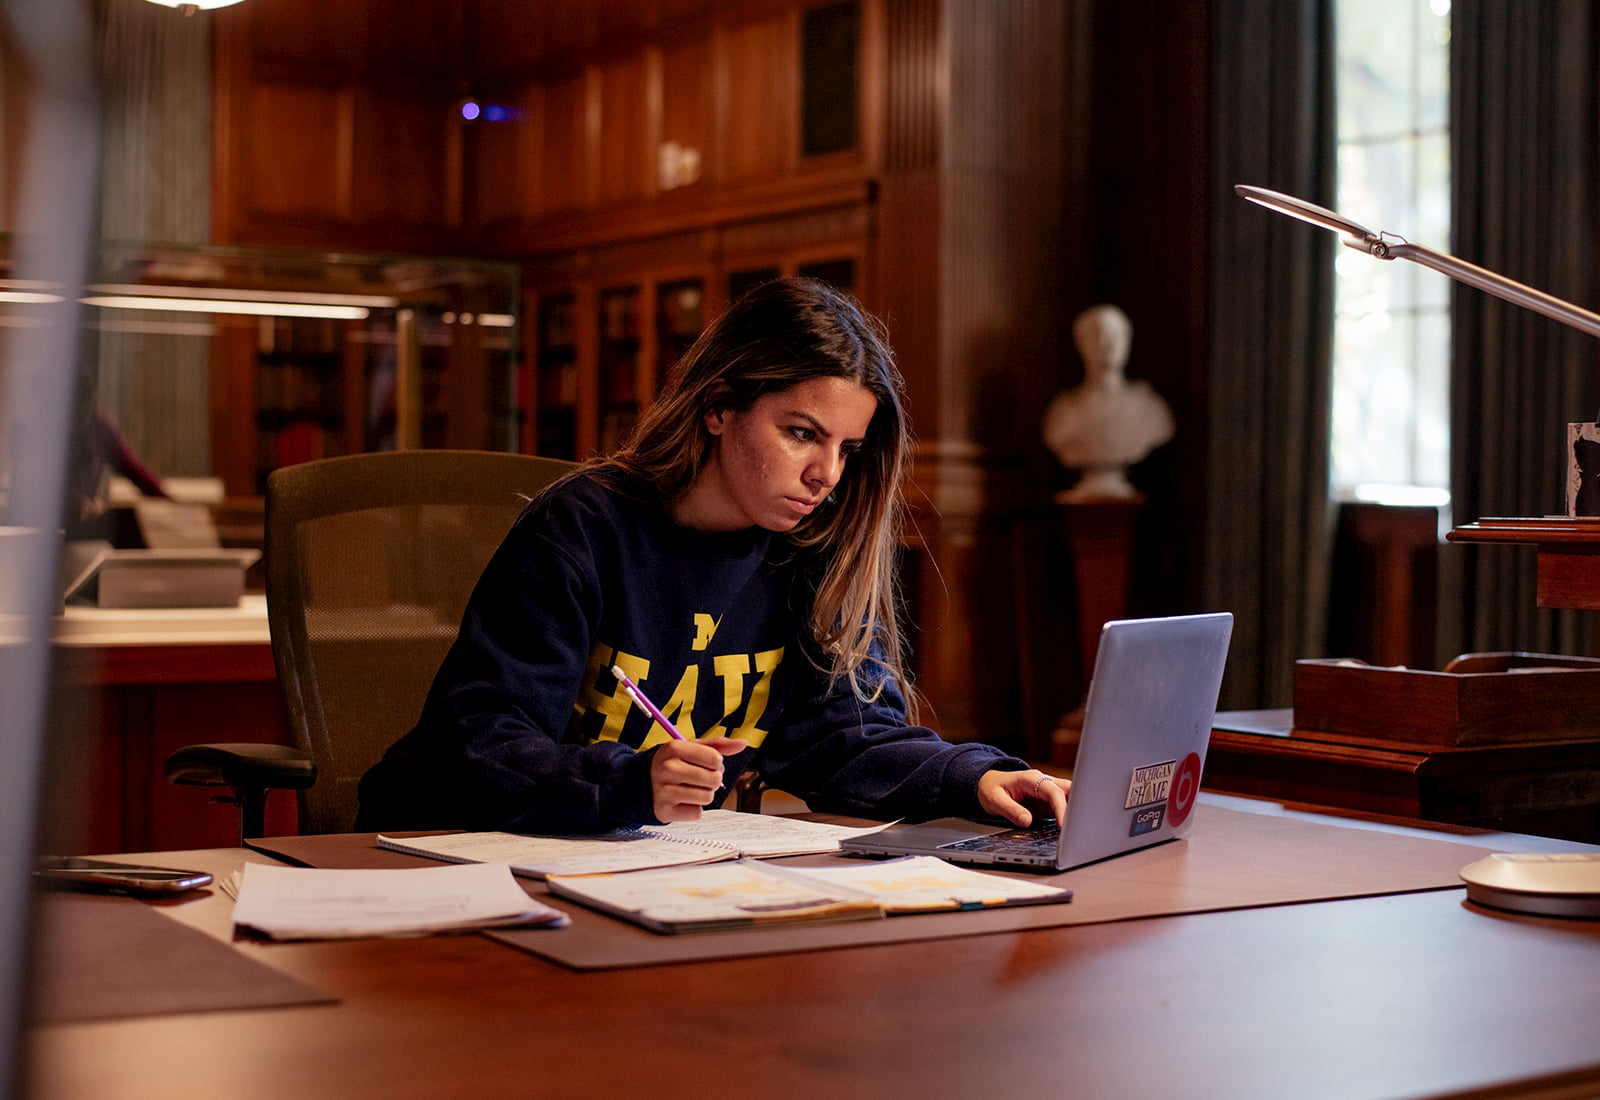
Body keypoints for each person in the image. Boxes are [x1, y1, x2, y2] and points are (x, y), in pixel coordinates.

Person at [356, 278, 1068, 834]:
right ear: (720, 406)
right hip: (445, 857)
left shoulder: (813, 551)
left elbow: (846, 738)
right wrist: (630, 783)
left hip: (644, 870)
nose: (827, 474)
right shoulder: (582, 528)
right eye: (800, 433)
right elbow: (480, 744)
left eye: (846, 449)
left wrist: (972, 777)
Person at [1041, 303, 1173, 499]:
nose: (1109, 344)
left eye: (1117, 335)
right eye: (1099, 336)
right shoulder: (1064, 411)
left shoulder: (1148, 409)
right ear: (1081, 343)